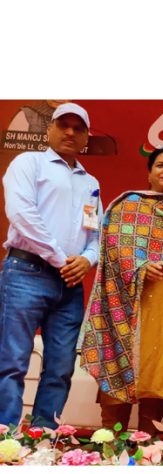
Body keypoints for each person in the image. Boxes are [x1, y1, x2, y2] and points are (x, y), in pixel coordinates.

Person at [80, 147, 163, 434]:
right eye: (160, 165)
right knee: (119, 362)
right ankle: (109, 444)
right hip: (126, 305)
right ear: (149, 172)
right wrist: (138, 267)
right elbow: (113, 246)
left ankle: (149, 445)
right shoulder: (125, 206)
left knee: (159, 371)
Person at [0, 103, 101, 429]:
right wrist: (62, 259)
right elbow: (21, 215)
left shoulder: (91, 182)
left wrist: (87, 259)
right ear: (49, 129)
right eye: (63, 125)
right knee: (12, 360)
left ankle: (43, 434)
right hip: (25, 273)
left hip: (70, 284)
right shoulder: (28, 163)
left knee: (60, 365)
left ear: (86, 136)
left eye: (78, 128)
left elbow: (97, 235)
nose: (70, 132)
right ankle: (5, 436)